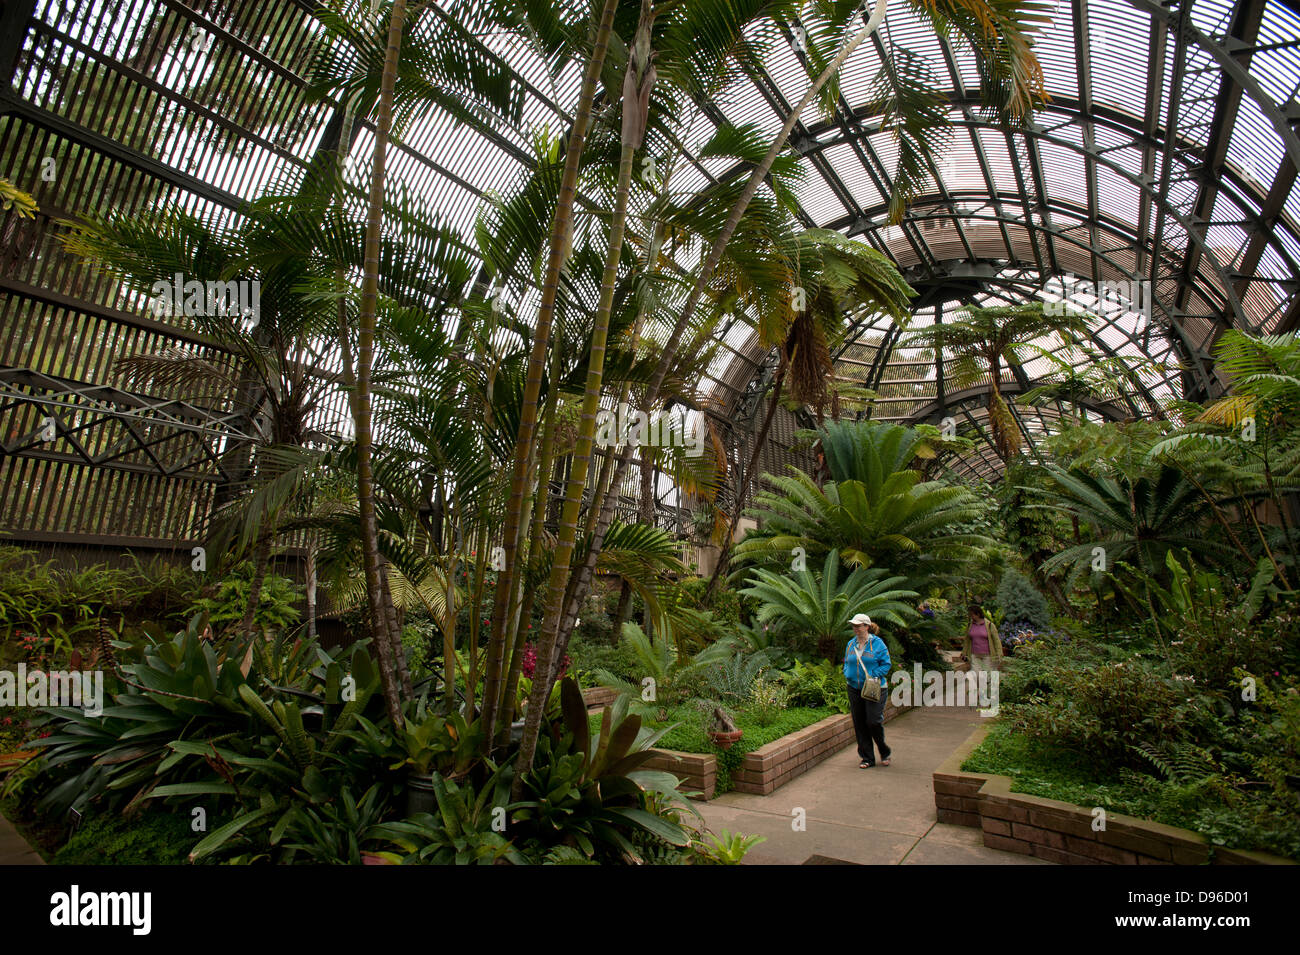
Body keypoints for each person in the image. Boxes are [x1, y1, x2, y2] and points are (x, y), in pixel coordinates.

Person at [843, 613, 892, 769]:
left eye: (859, 625)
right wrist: (847, 673)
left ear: (867, 626)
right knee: (859, 723)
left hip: (874, 687)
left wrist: (873, 675)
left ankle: (884, 750)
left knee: (873, 721)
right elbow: (846, 662)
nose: (856, 628)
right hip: (854, 688)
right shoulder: (851, 644)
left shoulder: (878, 644)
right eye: (854, 626)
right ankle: (867, 758)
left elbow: (886, 664)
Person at [962, 604, 1002, 674]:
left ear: (978, 614)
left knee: (987, 674)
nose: (970, 616)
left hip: (988, 655)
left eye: (971, 614)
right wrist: (964, 653)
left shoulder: (989, 625)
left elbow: (996, 640)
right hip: (974, 654)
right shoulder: (970, 625)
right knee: (975, 674)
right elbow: (967, 640)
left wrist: (999, 653)